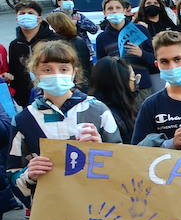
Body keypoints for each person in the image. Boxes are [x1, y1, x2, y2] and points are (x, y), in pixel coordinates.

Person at [7, 40, 121, 206]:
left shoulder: (97, 110)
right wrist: (28, 175)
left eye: (63, 69)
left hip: (97, 206)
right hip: (52, 211)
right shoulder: (23, 119)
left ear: (74, 72)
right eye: (47, 69)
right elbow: (12, 174)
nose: (56, 74)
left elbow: (121, 162)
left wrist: (101, 150)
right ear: (35, 73)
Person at [9, 0, 58, 103]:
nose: (26, 16)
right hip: (26, 98)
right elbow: (14, 71)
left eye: (30, 13)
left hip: (53, 95)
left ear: (39, 19)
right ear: (17, 19)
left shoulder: (55, 40)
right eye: (22, 13)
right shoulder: (15, 45)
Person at [87, 56, 138, 143]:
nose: (136, 85)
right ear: (122, 84)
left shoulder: (91, 109)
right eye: (133, 79)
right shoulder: (114, 117)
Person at [43, 11, 92, 86]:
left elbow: (82, 66)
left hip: (76, 84)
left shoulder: (76, 42)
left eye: (49, 25)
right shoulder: (51, 41)